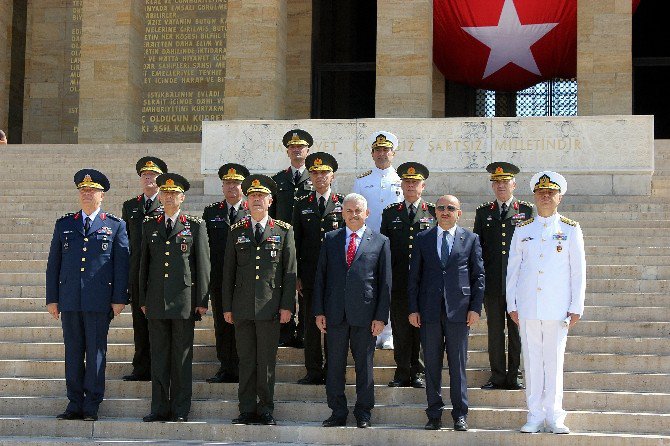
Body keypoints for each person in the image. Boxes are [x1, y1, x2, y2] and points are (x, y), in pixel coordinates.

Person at [46, 169, 130, 421]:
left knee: (95, 354)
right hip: (70, 300)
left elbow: (121, 265)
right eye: (83, 190)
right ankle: (74, 403)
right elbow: (54, 263)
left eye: (91, 190)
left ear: (101, 195)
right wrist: (52, 298)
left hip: (98, 301)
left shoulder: (114, 225)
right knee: (72, 353)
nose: (86, 194)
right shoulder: (65, 224)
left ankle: (91, 404)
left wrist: (119, 298)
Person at [506, 171, 586, 434]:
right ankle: (534, 415)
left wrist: (576, 306)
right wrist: (512, 303)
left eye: (551, 193)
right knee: (532, 361)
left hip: (556, 307)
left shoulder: (570, 229)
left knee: (553, 363)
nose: (546, 197)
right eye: (541, 193)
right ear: (534, 197)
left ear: (559, 198)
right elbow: (514, 269)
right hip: (528, 306)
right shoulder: (523, 229)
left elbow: (578, 271)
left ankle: (555, 416)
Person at [222, 174, 297, 426]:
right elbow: (228, 273)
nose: (256, 200)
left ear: (270, 201)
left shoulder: (284, 231)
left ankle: (265, 409)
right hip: (242, 308)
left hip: (270, 308)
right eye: (253, 196)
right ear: (246, 201)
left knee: (265, 362)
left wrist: (288, 306)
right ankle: (246, 409)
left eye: (261, 196)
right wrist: (227, 307)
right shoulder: (236, 231)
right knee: (245, 361)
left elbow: (289, 272)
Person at [313, 193, 392, 429]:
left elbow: (385, 284)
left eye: (358, 210)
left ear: (367, 213)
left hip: (365, 316)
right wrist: (319, 312)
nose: (353, 215)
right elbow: (321, 278)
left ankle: (363, 412)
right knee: (334, 365)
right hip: (335, 314)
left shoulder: (380, 241)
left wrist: (381, 317)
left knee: (364, 366)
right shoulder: (331, 239)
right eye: (349, 211)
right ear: (342, 213)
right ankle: (337, 411)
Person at [408, 194, 485, 432]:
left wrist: (475, 308)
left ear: (458, 213)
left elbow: (478, 276)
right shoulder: (423, 238)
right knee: (431, 365)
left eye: (450, 208)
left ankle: (460, 414)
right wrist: (413, 309)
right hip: (429, 311)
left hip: (459, 312)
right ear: (435, 212)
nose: (445, 211)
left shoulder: (470, 239)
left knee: (457, 366)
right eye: (440, 208)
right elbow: (414, 277)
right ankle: (434, 414)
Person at [139, 173, 210, 423]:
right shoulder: (150, 224)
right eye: (165, 193)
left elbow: (202, 265)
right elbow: (143, 265)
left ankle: (180, 409)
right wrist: (143, 298)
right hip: (156, 300)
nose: (169, 197)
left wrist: (202, 300)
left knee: (181, 358)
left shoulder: (195, 225)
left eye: (174, 193)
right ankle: (159, 407)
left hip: (183, 302)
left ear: (182, 197)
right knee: (159, 358)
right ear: (160, 195)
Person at [473, 162, 533, 391]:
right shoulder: (483, 212)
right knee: (495, 332)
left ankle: (514, 375)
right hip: (493, 284)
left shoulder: (526, 211)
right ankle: (497, 375)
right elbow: (478, 250)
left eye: (505, 182)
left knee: (516, 331)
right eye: (496, 183)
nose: (500, 186)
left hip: (518, 284)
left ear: (514, 184)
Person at [380, 162, 435, 389]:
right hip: (400, 281)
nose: (411, 186)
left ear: (423, 186)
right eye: (407, 182)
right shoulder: (391, 212)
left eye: (415, 182)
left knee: (421, 329)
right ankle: (402, 370)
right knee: (401, 328)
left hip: (425, 281)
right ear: (401, 185)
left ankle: (418, 371)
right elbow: (384, 248)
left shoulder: (433, 212)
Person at [292, 152, 345, 385]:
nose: (319, 177)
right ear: (309, 177)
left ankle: (333, 369)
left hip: (337, 276)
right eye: (315, 173)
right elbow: (295, 242)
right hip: (310, 275)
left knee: (335, 323)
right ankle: (313, 370)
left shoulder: (343, 204)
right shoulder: (302, 204)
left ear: (332, 176)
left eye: (324, 173)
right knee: (310, 324)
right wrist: (297, 276)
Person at [353, 130, 403, 350]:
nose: (382, 154)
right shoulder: (363, 181)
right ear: (372, 154)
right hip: (369, 243)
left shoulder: (403, 181)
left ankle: (389, 332)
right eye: (378, 150)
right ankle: (371, 331)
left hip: (394, 242)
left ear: (393, 153)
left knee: (390, 286)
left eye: (386, 150)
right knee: (370, 288)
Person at [203, 163, 250, 384]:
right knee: (222, 325)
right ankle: (226, 367)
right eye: (228, 182)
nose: (232, 186)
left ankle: (243, 366)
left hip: (245, 279)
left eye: (236, 183)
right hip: (220, 278)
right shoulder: (212, 212)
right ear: (222, 186)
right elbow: (206, 247)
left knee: (242, 324)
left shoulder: (252, 210)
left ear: (243, 187)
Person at [121, 157, 167, 382]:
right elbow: (124, 242)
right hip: (137, 273)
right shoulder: (130, 206)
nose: (148, 178)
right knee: (139, 323)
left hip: (159, 274)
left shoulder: (167, 204)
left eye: (153, 175)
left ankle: (159, 366)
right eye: (145, 175)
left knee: (157, 323)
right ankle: (141, 367)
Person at [270, 129, 314, 347]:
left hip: (305, 242)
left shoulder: (314, 178)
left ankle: (304, 331)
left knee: (304, 287)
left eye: (300, 147)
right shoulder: (278, 180)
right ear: (287, 151)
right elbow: (272, 213)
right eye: (292, 147)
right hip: (281, 243)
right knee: (283, 286)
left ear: (307, 151)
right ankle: (284, 331)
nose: (296, 150)